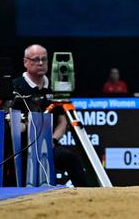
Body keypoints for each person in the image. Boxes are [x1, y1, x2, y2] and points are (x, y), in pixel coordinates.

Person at [12, 44, 92, 186]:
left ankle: (88, 195)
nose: (41, 63)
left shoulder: (56, 87)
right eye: (36, 59)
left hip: (49, 145)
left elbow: (62, 121)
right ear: (25, 62)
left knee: (70, 158)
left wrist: (53, 141)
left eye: (44, 59)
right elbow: (9, 118)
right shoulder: (15, 87)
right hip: (21, 147)